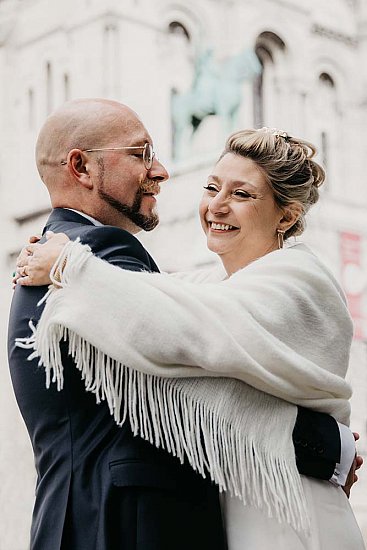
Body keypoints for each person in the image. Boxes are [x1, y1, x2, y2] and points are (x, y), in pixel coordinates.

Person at [9, 103, 362, 549]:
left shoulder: (297, 278)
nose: (161, 171)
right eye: (141, 154)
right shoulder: (101, 255)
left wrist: (67, 265)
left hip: (279, 515)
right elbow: (174, 372)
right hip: (121, 524)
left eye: (242, 194)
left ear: (287, 217)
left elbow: (193, 344)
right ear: (81, 167)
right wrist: (329, 448)